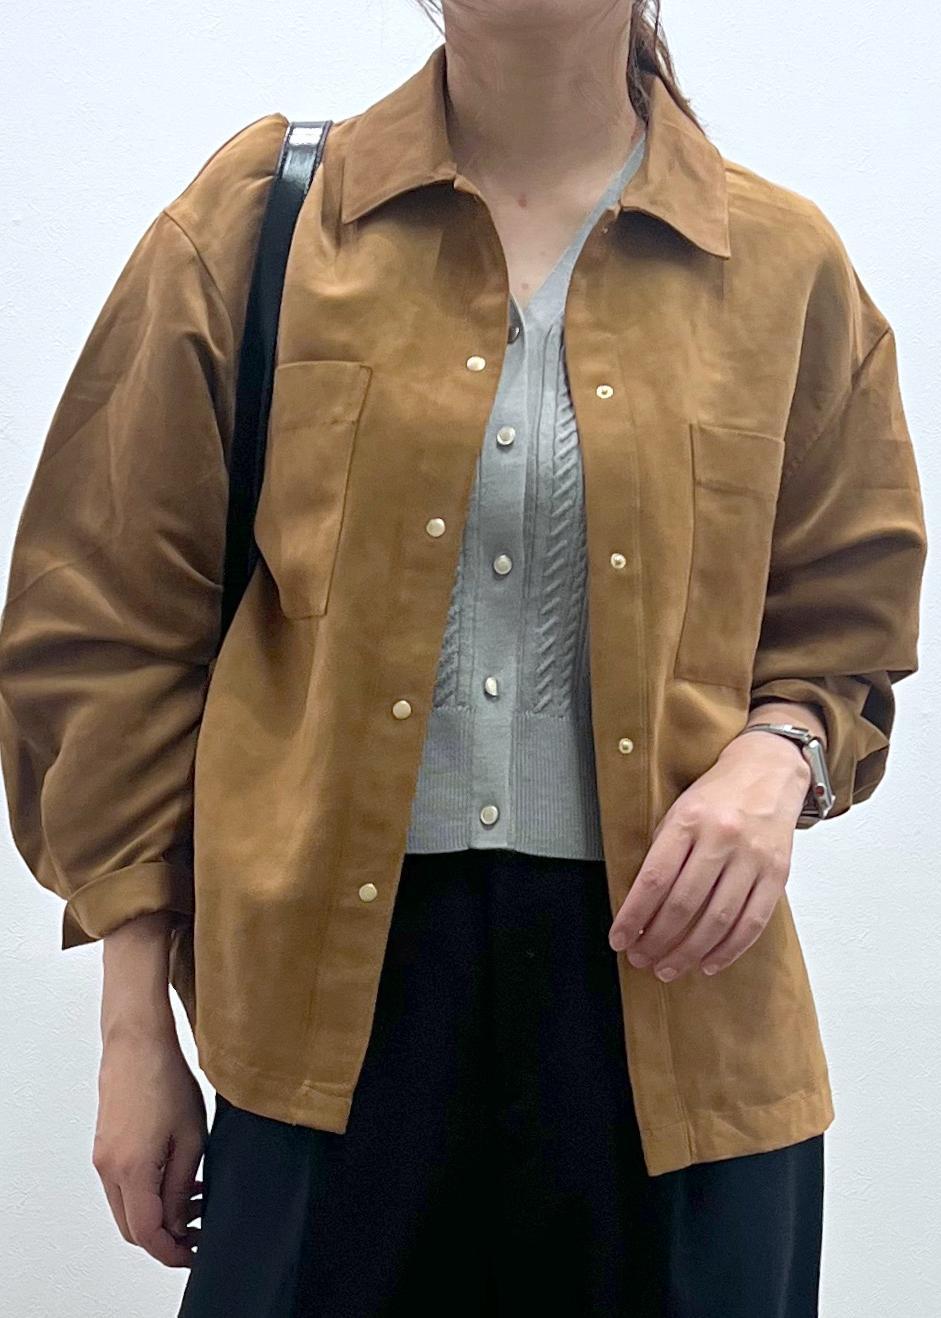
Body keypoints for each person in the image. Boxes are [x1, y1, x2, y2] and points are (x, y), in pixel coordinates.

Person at [0, 1, 927, 1315]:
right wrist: (132, 1024)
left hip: (683, 1029)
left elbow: (847, 608)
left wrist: (778, 757)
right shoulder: (268, 224)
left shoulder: (781, 263)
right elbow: (107, 622)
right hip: (327, 1023)